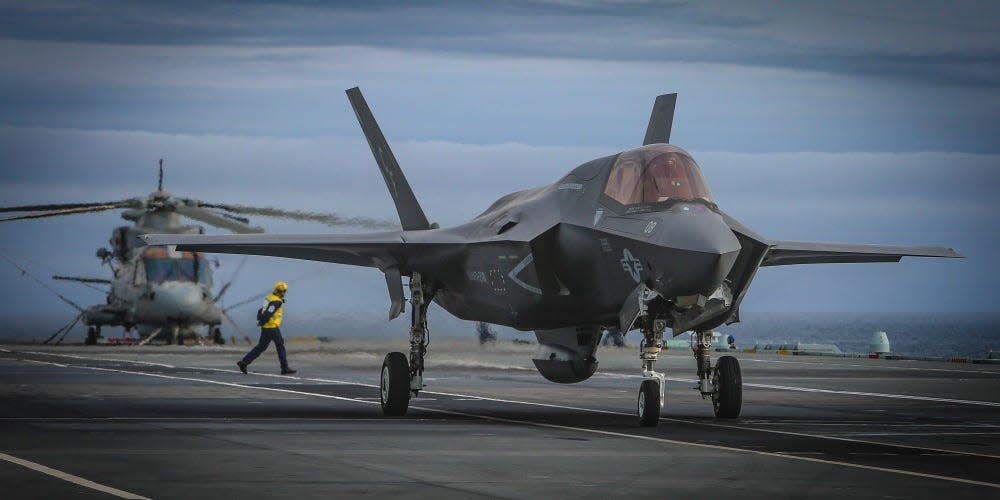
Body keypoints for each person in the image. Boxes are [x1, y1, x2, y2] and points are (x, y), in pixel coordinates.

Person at [237, 281, 296, 375]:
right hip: (272, 327)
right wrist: (261, 321)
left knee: (261, 347)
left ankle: (244, 362)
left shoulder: (270, 297)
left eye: (284, 291)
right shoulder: (276, 301)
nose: (283, 293)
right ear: (277, 290)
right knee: (280, 346)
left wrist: (259, 320)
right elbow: (269, 313)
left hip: (266, 327)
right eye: (282, 291)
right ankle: (284, 368)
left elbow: (261, 310)